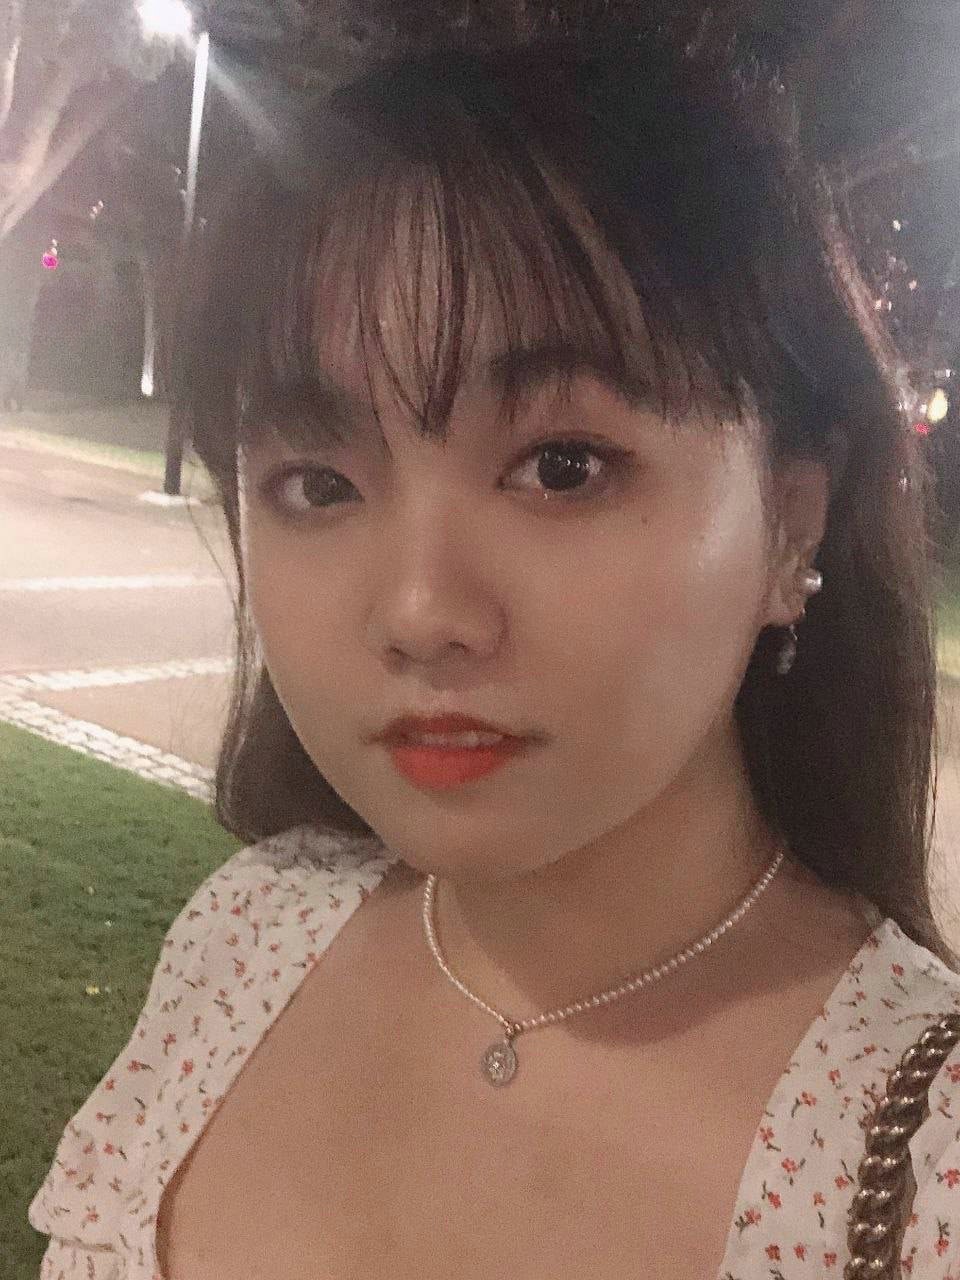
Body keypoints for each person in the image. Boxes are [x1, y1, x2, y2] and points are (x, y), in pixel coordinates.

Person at [28, 8, 960, 1278]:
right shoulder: (247, 940)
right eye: (317, 484)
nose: (420, 611)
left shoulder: (919, 1168)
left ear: (792, 519)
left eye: (562, 466)